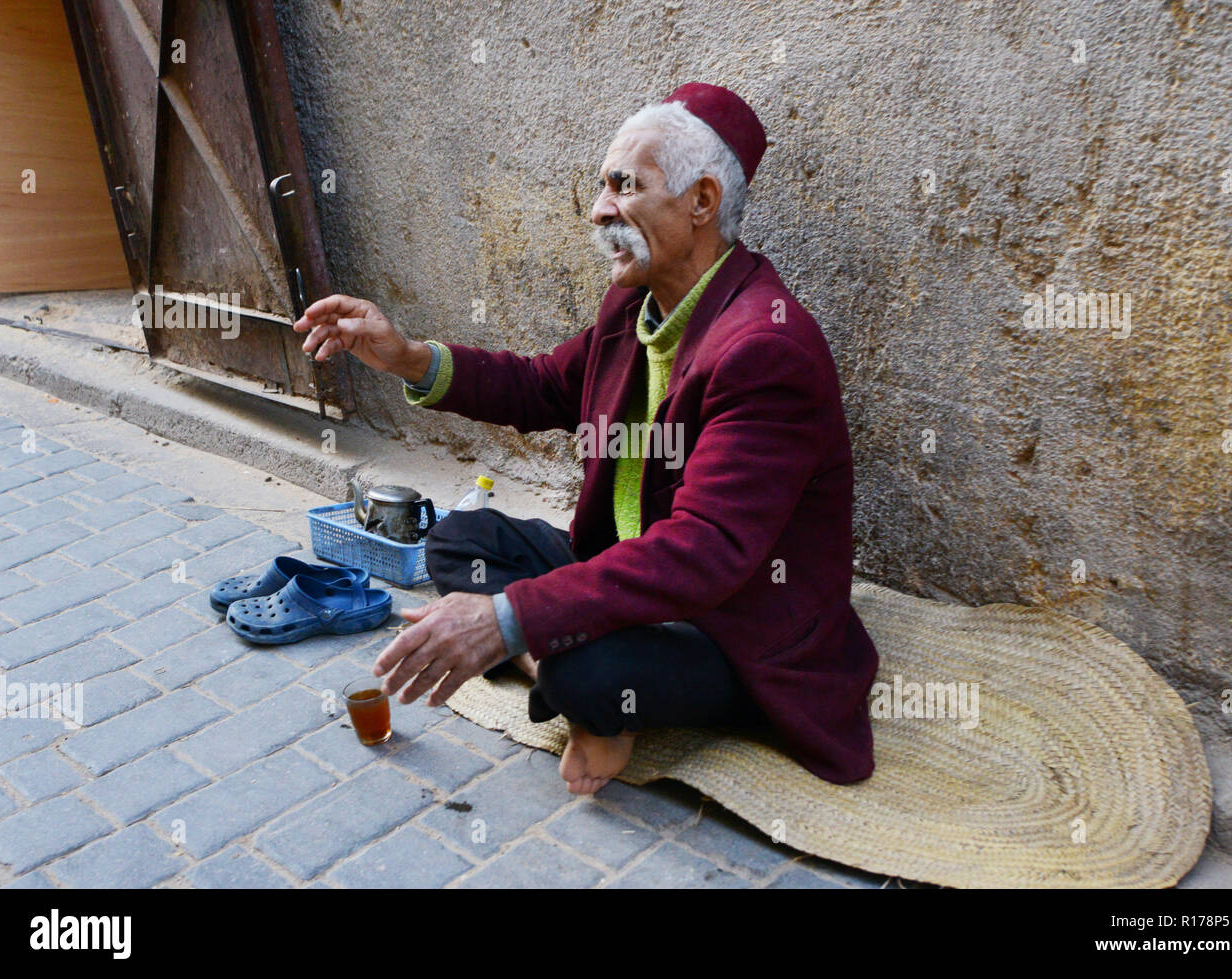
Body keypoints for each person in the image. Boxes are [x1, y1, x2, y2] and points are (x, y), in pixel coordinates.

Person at [293, 83, 879, 794]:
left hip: (727, 624)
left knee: (580, 665)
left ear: (701, 202)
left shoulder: (765, 348)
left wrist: (511, 622)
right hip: (629, 567)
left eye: (623, 186)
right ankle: (584, 690)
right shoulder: (636, 301)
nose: (599, 210)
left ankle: (583, 688)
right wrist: (409, 357)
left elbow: (703, 554)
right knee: (458, 542)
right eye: (600, 187)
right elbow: (544, 385)